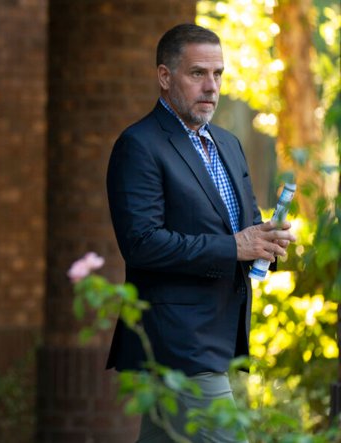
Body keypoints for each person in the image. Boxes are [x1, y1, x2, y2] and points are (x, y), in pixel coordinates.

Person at [105, 24, 295, 442]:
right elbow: (141, 244)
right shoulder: (139, 145)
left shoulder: (228, 144)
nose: (211, 86)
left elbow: (246, 228)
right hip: (179, 341)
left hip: (222, 334)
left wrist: (268, 240)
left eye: (218, 74)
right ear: (165, 76)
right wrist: (235, 246)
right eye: (198, 73)